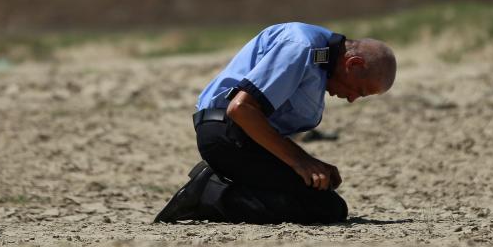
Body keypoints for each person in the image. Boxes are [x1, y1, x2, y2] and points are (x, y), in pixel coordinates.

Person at [153, 22, 396, 224]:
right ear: (353, 64)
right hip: (225, 135)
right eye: (360, 91)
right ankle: (212, 193)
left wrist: (310, 163)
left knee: (324, 199)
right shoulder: (301, 46)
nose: (353, 99)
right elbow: (241, 109)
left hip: (242, 140)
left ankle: (217, 184)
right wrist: (301, 162)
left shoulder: (320, 60)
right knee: (326, 209)